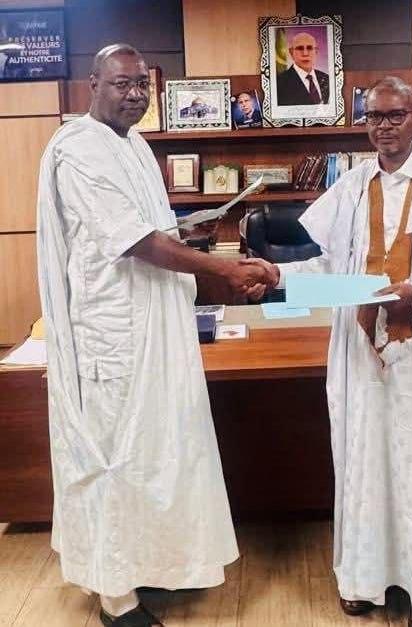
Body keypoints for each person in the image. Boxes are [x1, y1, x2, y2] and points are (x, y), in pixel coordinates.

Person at [246, 76, 412, 627]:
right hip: (362, 352)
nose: (384, 126)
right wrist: (279, 275)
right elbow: (333, 269)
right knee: (366, 460)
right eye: (374, 117)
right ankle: (365, 579)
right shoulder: (349, 188)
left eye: (395, 115)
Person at [36, 44, 272, 627]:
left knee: (153, 454)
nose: (135, 94)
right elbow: (135, 242)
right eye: (122, 83)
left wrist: (189, 234)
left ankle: (142, 566)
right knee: (113, 458)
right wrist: (223, 269)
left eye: (142, 84)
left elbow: (152, 229)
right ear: (93, 85)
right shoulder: (78, 149)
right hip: (112, 334)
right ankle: (114, 597)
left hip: (154, 328)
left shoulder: (135, 144)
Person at [276, 31, 330, 106]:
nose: (305, 53)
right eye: (300, 48)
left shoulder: (327, 79)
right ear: (291, 52)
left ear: (316, 51)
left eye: (309, 48)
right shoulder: (279, 83)